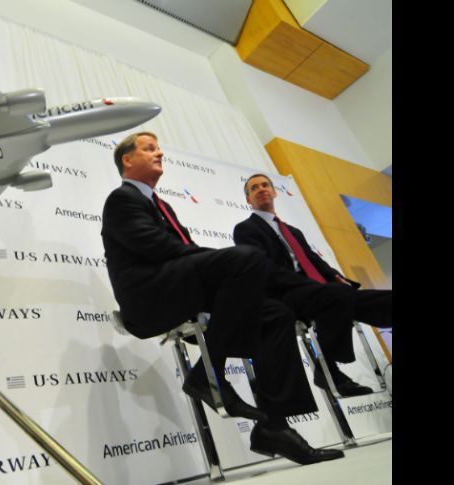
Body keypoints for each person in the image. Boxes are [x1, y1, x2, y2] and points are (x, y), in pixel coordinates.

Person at [102, 132, 343, 465]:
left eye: (158, 148)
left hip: (179, 286)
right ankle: (208, 373)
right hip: (150, 295)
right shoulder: (122, 199)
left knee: (276, 315)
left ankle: (274, 425)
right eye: (149, 149)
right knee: (246, 259)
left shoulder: (162, 204)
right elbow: (155, 248)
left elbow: (182, 255)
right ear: (128, 160)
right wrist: (216, 260)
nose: (159, 153)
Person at [234, 173, 392, 396]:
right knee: (338, 295)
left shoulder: (293, 231)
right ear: (248, 200)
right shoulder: (246, 229)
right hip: (285, 294)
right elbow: (264, 269)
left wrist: (336, 276)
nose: (261, 189)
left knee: (380, 299)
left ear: (274, 191)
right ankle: (328, 369)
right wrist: (312, 285)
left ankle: (326, 368)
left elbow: (312, 259)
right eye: (254, 188)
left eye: (265, 185)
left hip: (320, 292)